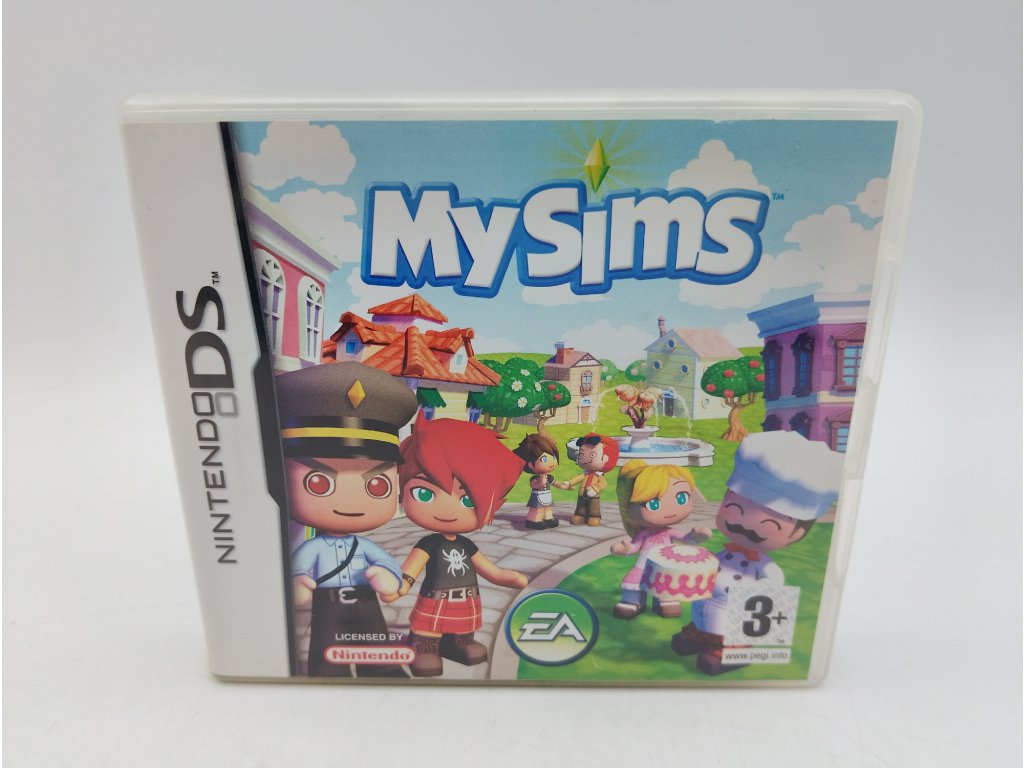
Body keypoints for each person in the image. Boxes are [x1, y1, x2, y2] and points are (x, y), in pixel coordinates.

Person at [277, 361, 418, 677]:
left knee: (376, 640)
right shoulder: (313, 548)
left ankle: (382, 668)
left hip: (367, 602)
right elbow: (300, 569)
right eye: (319, 482)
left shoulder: (363, 546)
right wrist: (299, 583)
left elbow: (385, 563)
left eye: (376, 484)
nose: (351, 501)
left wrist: (387, 575)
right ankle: (328, 672)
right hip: (328, 604)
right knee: (327, 646)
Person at [670, 431, 843, 675]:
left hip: (732, 605)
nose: (745, 524)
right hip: (708, 598)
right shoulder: (726, 552)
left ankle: (728, 649)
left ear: (797, 532)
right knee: (702, 614)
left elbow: (774, 582)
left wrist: (753, 594)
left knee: (723, 624)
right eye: (735, 507)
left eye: (770, 521)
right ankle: (700, 634)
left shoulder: (762, 564)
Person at [390, 416, 528, 677]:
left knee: (464, 626)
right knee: (429, 628)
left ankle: (460, 642)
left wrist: (504, 577)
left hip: (466, 598)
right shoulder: (428, 544)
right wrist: (402, 584)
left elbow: (488, 569)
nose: (447, 509)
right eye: (424, 493)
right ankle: (425, 645)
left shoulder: (466, 545)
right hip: (435, 598)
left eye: (468, 500)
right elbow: (412, 568)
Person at [610, 460, 711, 618]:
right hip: (643, 566)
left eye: (682, 498)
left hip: (664, 567)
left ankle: (664, 602)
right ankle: (633, 602)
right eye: (653, 504)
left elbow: (686, 539)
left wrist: (696, 536)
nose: (670, 510)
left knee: (666, 584)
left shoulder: (669, 533)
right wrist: (625, 548)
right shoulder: (645, 534)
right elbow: (634, 547)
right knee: (634, 582)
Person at [558, 433, 620, 526]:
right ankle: (580, 516)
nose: (584, 459)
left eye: (592, 454)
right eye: (581, 455)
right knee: (580, 507)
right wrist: (568, 483)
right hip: (582, 495)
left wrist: (595, 489)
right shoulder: (585, 474)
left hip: (594, 496)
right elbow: (577, 478)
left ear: (605, 458)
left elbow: (603, 484)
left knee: (594, 508)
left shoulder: (599, 476)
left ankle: (594, 517)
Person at [512, 432, 561, 530]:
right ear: (530, 465)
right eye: (545, 459)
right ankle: (533, 520)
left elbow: (556, 484)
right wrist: (540, 482)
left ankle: (548, 518)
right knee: (537, 510)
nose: (552, 462)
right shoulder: (536, 478)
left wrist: (564, 486)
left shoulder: (549, 477)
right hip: (537, 497)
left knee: (547, 508)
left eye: (554, 457)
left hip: (547, 497)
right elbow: (533, 485)